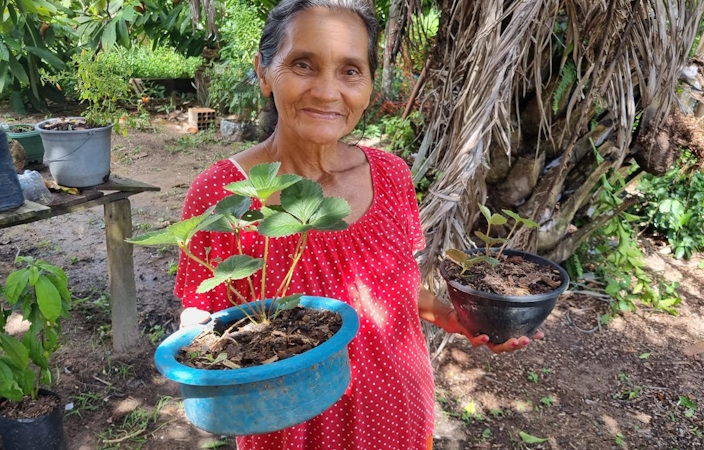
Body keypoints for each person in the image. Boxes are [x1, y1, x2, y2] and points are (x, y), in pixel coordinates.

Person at [174, 1, 539, 449]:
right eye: (303, 64)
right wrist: (197, 361)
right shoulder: (221, 193)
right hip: (291, 430)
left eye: (350, 70)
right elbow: (202, 317)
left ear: (368, 86)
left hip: (399, 414)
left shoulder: (391, 176)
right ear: (264, 73)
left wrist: (451, 315)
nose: (328, 92)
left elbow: (389, 290)